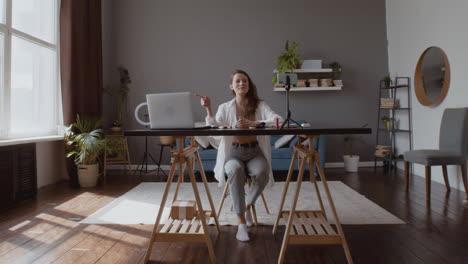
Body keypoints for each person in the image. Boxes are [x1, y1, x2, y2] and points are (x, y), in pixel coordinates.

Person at [196, 69, 283, 242]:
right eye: (237, 81)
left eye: (245, 81)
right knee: (235, 171)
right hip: (233, 153)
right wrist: (208, 109)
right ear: (232, 86)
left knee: (262, 173)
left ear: (249, 85)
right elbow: (214, 129)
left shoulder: (260, 105)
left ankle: (247, 205)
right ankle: (241, 223)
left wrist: (253, 123)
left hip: (254, 152)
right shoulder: (225, 107)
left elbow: (277, 120)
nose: (241, 83)